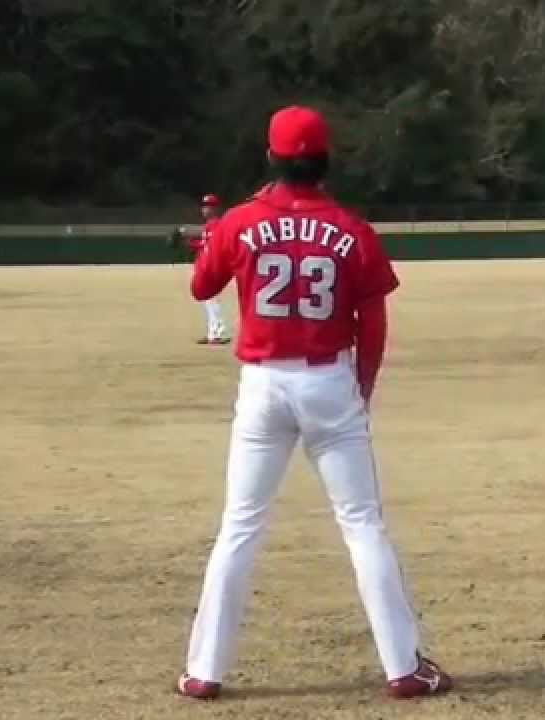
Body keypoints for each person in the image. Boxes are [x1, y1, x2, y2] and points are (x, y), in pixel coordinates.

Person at [176, 106, 451, 701]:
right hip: (329, 381)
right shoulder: (352, 229)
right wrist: (362, 390)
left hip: (262, 384)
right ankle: (403, 668)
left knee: (240, 525)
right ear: (326, 160)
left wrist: (228, 229)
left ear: (271, 158)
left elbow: (201, 286)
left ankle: (204, 671)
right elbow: (371, 325)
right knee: (362, 525)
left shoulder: (242, 220)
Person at [189, 195, 231, 345]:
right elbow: (204, 245)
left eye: (209, 206)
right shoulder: (208, 225)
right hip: (204, 267)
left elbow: (213, 247)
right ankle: (212, 333)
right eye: (204, 206)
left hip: (211, 268)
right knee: (208, 302)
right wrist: (188, 243)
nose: (205, 209)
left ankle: (219, 333)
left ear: (215, 208)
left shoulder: (217, 225)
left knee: (212, 301)